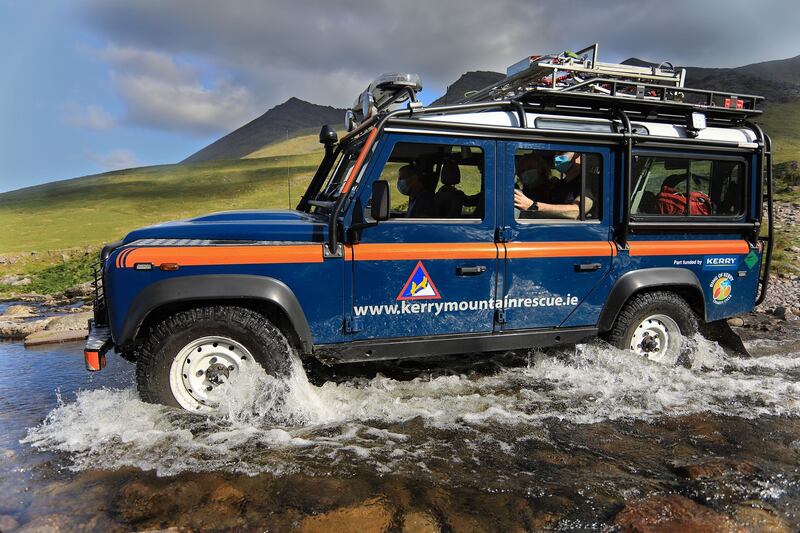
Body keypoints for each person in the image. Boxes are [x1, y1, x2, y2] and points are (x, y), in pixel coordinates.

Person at [514, 151, 593, 219]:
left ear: (578, 155)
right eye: (556, 154)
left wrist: (533, 206)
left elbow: (577, 211)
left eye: (562, 152)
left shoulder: (590, 181)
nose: (557, 157)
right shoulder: (558, 186)